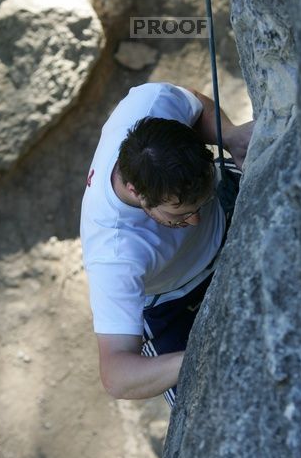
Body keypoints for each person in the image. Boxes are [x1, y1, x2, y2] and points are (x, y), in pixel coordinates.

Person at [80, 82, 254, 407]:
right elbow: (117, 374)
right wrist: (201, 354)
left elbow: (195, 105)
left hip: (229, 212)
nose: (194, 222)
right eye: (180, 214)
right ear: (136, 192)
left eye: (198, 207)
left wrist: (228, 135)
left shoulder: (152, 103)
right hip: (174, 300)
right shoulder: (115, 254)